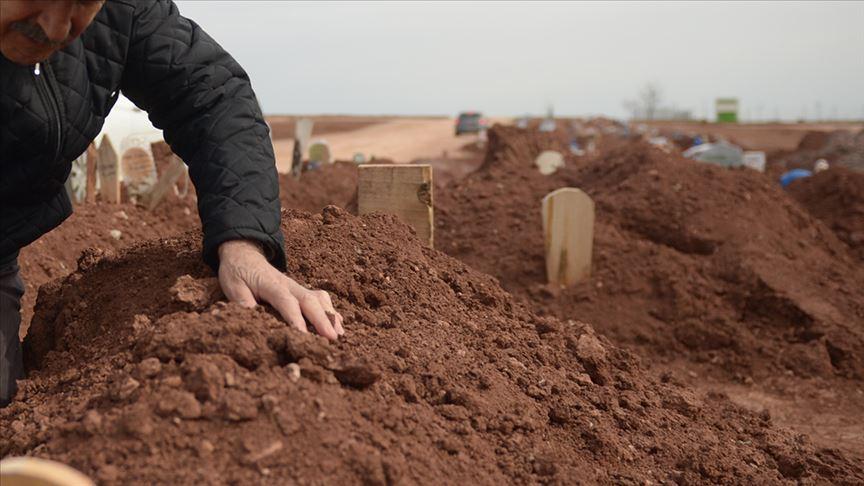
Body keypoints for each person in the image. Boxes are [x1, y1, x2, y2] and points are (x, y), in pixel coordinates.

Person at [0, 0, 344, 407]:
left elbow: (212, 94)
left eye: (82, 3)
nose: (56, 28)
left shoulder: (122, 10)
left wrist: (243, 243)